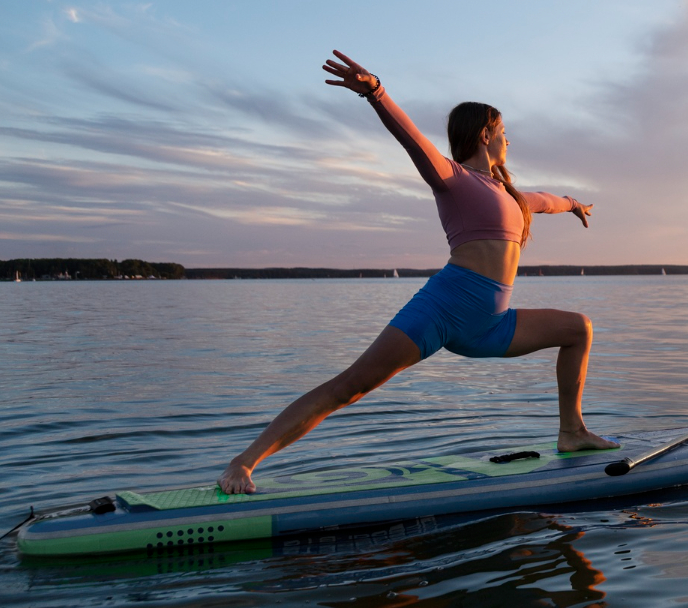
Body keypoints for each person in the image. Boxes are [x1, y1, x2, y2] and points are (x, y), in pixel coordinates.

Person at [216, 51, 614, 495]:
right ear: (485, 135)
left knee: (578, 328)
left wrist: (575, 204)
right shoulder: (453, 178)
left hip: (491, 325)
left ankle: (572, 432)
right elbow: (412, 140)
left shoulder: (512, 195)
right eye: (504, 133)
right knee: (349, 387)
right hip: (442, 310)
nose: (508, 142)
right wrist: (376, 92)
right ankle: (243, 462)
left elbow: (547, 199)